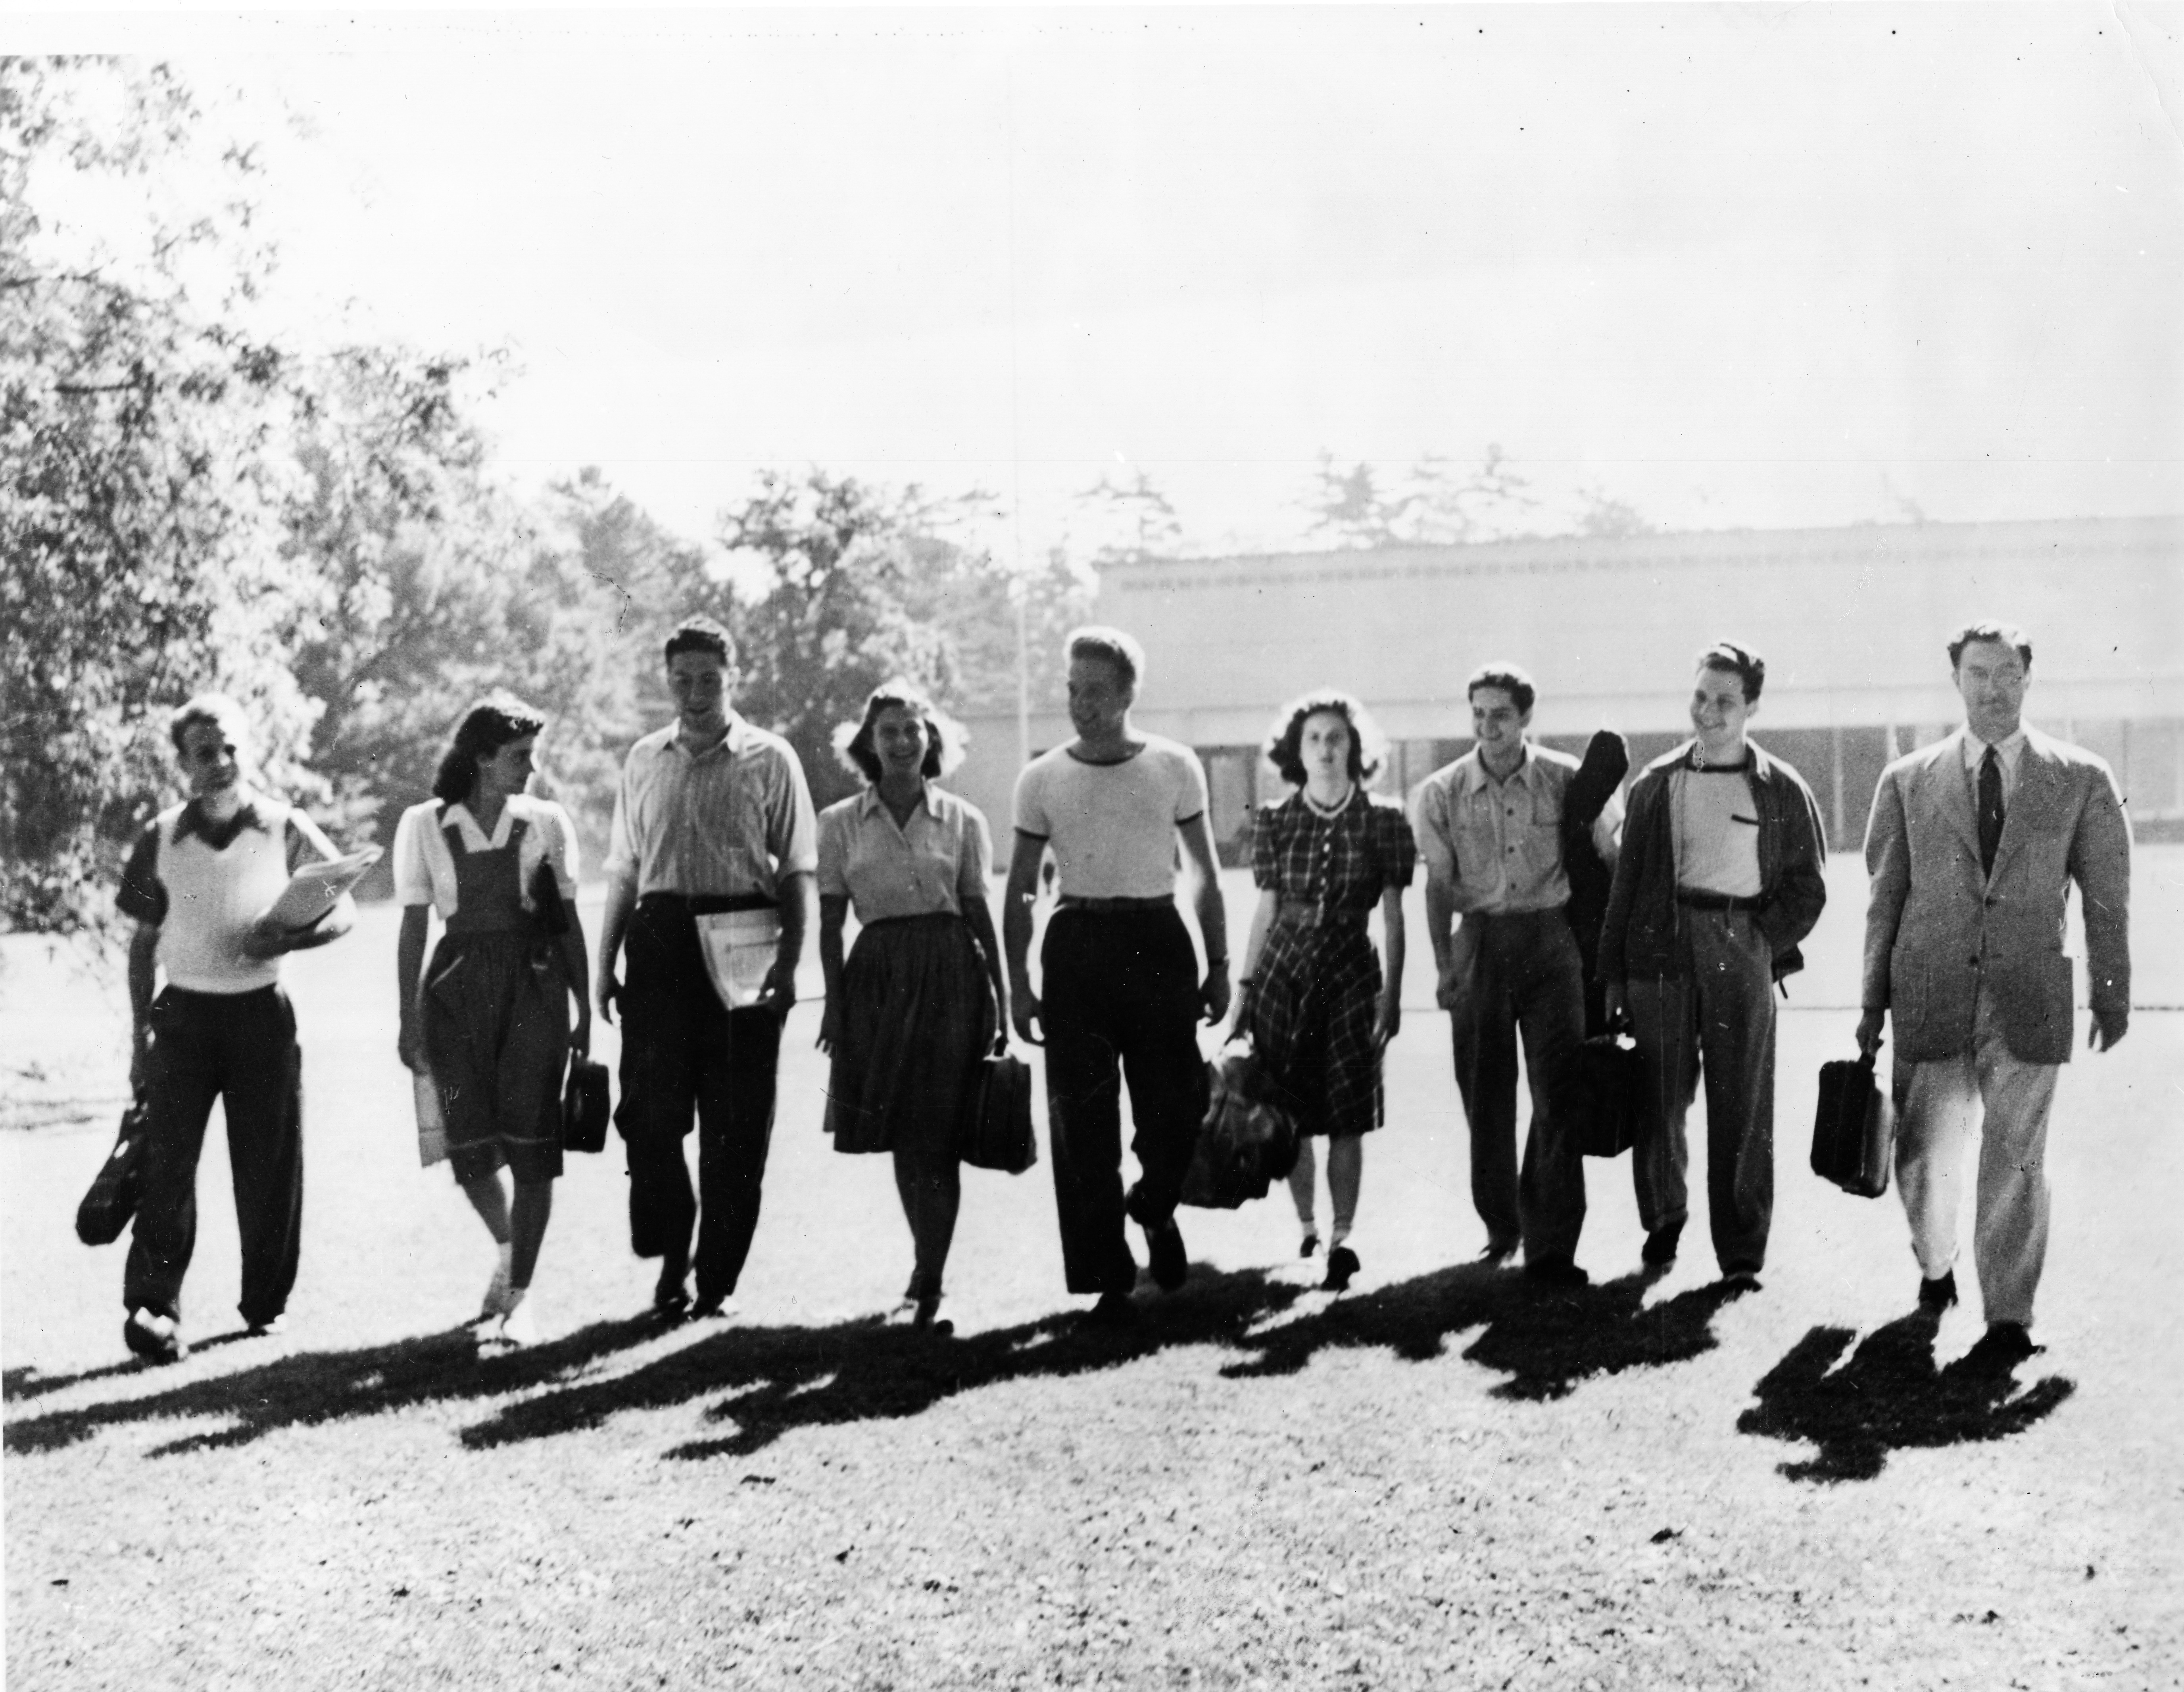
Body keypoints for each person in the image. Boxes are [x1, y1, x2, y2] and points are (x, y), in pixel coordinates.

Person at [1856, 620, 2130, 1371]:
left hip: (2028, 994)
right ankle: (1935, 1264)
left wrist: (2111, 995)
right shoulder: (1906, 781)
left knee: (2015, 1160)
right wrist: (1868, 1009)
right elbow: (1883, 903)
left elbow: (2106, 899)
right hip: (1928, 992)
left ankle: (2008, 1317)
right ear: (1956, 680)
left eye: (2009, 673)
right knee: (1921, 1157)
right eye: (1979, 673)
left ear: (2027, 679)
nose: (1994, 688)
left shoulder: (2080, 777)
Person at [114, 694, 356, 1363]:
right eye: (204, 752)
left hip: (260, 1012)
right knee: (167, 1167)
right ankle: (154, 1308)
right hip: (183, 1017)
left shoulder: (285, 825)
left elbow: (344, 906)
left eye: (230, 748)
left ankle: (264, 1304)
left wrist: (287, 937)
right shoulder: (158, 835)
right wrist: (138, 1040)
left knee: (268, 1163)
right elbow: (140, 944)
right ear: (182, 762)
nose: (221, 763)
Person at [1003, 627, 1231, 1327]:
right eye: (1072, 691)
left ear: (1128, 694)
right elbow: (1017, 891)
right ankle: (1107, 1277)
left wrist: (1218, 963)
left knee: (1179, 1102)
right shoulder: (1041, 778)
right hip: (1076, 944)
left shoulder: (1173, 765)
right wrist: (1018, 981)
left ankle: (1155, 1205)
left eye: (1095, 692)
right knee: (1083, 1120)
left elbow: (1203, 873)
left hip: (1157, 942)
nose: (1080, 705)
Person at [594, 616, 817, 1321]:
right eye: (683, 679)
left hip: (744, 935)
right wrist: (604, 963)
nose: (695, 693)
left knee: (736, 1123)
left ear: (733, 679)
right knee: (649, 1116)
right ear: (668, 681)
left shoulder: (770, 758)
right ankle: (673, 1242)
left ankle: (713, 1281)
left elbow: (798, 868)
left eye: (709, 680)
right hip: (658, 940)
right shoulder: (644, 758)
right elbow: (624, 868)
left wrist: (791, 961)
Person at [1599, 641, 1828, 1286]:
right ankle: (1664, 1219)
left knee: (1742, 1103)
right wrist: (1614, 975)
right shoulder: (1656, 783)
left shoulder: (1781, 787)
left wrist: (1758, 939)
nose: (1708, 712)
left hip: (1740, 946)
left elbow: (1808, 886)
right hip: (1659, 947)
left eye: (1725, 701)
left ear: (1752, 705)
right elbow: (1626, 885)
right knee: (1659, 1095)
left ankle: (1740, 1250)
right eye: (1700, 697)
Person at [1412, 664, 1624, 1284]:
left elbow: (1609, 863)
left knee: (1557, 1090)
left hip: (1549, 940)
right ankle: (1500, 1224)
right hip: (1478, 940)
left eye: (1499, 713)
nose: (1487, 725)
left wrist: (1605, 961)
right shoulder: (1442, 791)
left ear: (1525, 716)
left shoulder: (1565, 780)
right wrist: (1444, 965)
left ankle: (1552, 1243)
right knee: (1484, 1091)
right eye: (1477, 713)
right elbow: (1438, 884)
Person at [393, 696, 591, 1348]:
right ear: (480, 757)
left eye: (533, 755)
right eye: (517, 756)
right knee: (469, 1151)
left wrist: (584, 1008)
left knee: (535, 1151)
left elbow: (567, 921)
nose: (532, 769)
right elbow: (414, 926)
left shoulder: (547, 821)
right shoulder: (424, 824)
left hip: (533, 991)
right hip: (453, 998)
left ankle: (521, 1299)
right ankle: (510, 1251)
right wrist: (406, 1019)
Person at [815, 683, 1007, 1334]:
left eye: (912, 730)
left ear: (931, 740)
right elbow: (829, 922)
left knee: (941, 1133)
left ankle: (932, 1281)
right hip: (877, 981)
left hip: (950, 974)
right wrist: (832, 1007)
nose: (900, 741)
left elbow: (980, 912)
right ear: (868, 742)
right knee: (903, 1132)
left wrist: (1003, 1004)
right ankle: (925, 1275)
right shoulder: (839, 822)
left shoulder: (961, 819)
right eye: (887, 731)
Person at [1234, 691, 1415, 1292]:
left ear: (1354, 747)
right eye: (1313, 738)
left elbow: (1392, 917)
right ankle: (1307, 1225)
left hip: (1350, 975)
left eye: (1336, 737)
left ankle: (1343, 1237)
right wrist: (1242, 991)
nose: (1325, 748)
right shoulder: (1275, 819)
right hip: (1283, 971)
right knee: (1292, 1113)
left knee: (1346, 1112)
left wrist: (1390, 998)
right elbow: (1263, 910)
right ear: (1296, 750)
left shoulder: (1384, 819)